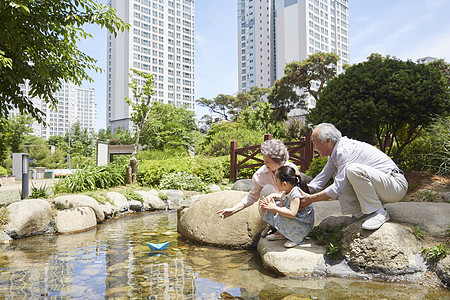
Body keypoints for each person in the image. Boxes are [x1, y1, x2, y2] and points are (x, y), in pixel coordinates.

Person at [299, 123, 408, 230]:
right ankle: (360, 214)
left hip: (395, 185)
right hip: (384, 187)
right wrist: (299, 193)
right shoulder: (334, 154)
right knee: (340, 174)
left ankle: (378, 212)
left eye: (315, 142)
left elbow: (338, 188)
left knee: (352, 170)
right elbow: (320, 180)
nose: (314, 147)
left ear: (328, 141)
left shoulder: (345, 150)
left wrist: (311, 199)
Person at [216, 139, 299, 236]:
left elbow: (296, 193)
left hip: (289, 207)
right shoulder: (261, 174)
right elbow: (251, 196)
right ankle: (272, 225)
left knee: (273, 193)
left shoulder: (291, 169)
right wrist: (233, 210)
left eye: (268, 161)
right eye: (264, 160)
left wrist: (274, 195)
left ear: (279, 161)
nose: (265, 164)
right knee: (267, 189)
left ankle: (285, 229)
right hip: (272, 209)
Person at [259, 166, 314, 248]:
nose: (275, 183)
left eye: (276, 180)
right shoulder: (285, 193)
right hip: (294, 219)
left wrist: (274, 208)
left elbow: (292, 213)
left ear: (284, 183)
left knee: (280, 208)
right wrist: (270, 207)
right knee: (277, 206)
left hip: (301, 224)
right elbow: (277, 214)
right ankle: (281, 233)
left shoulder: (295, 193)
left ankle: (296, 238)